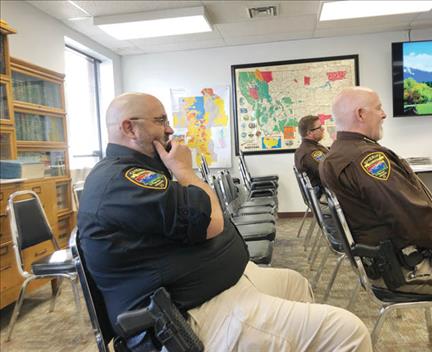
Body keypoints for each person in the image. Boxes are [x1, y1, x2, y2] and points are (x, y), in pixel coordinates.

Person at [78, 92, 372, 351]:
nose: (169, 129)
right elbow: (209, 220)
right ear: (129, 127)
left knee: (294, 283)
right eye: (160, 120)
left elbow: (201, 211)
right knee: (348, 331)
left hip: (215, 289)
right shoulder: (121, 180)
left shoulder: (139, 172)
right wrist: (184, 170)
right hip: (189, 316)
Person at [320, 86, 432, 337]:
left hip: (394, 252)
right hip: (407, 265)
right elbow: (413, 219)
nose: (384, 114)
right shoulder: (365, 159)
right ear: (360, 113)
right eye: (378, 108)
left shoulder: (339, 154)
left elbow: (406, 216)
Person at [295, 115, 339, 245]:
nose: (323, 129)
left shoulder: (310, 148)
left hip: (320, 196)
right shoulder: (311, 152)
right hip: (323, 199)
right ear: (309, 133)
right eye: (319, 127)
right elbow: (328, 174)